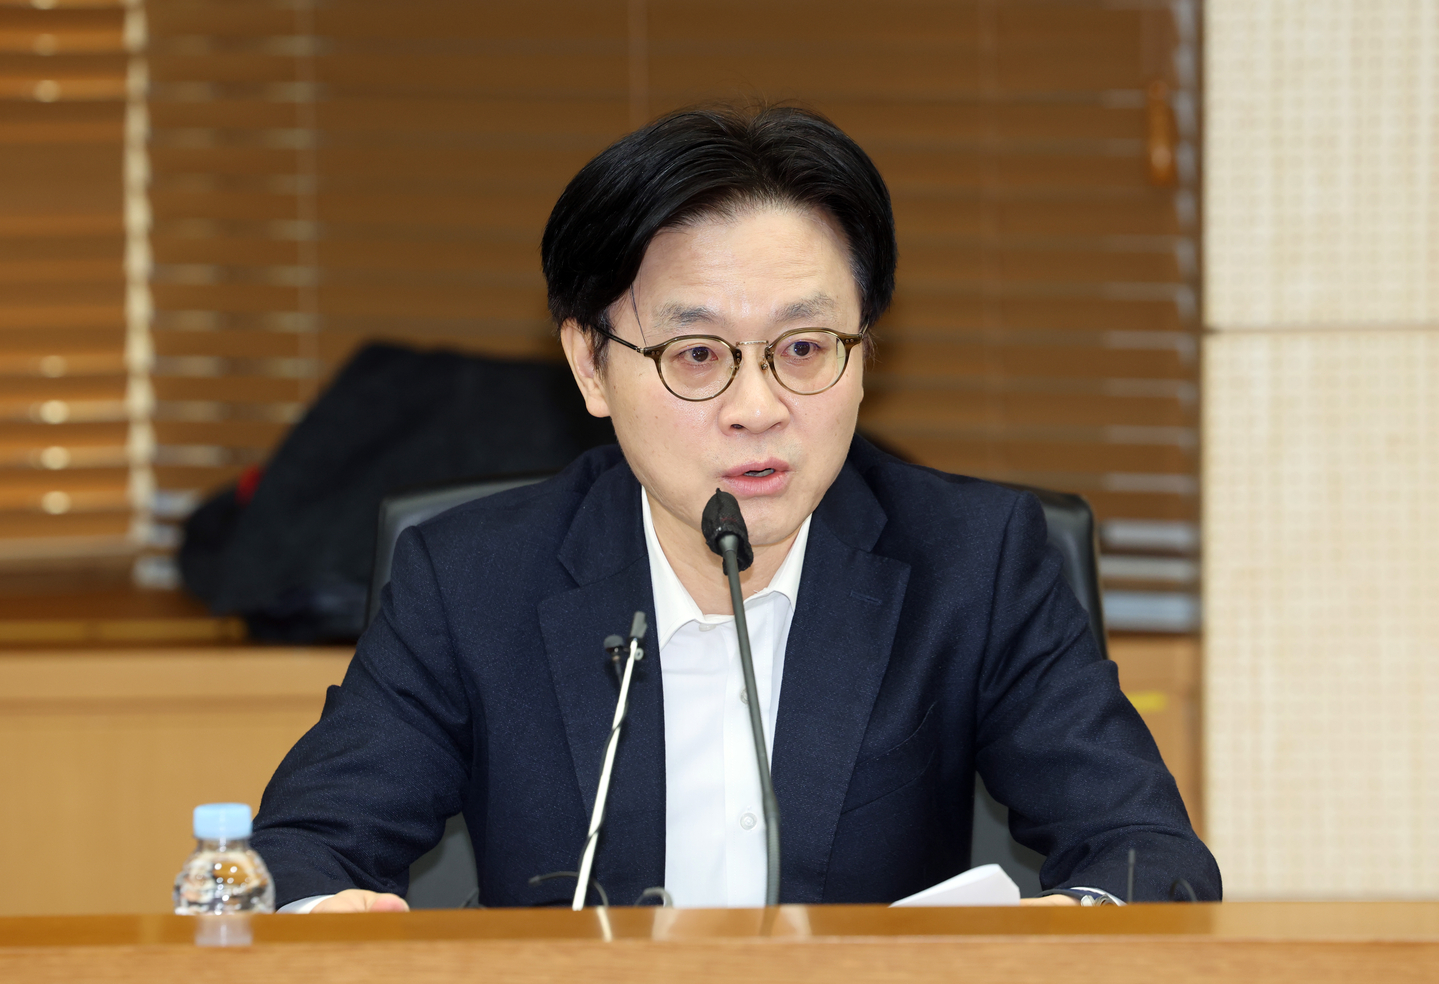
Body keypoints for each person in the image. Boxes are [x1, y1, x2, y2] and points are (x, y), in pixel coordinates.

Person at [251, 105, 1219, 913]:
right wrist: (326, 917)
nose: (757, 408)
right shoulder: (469, 579)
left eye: (803, 347)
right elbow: (304, 851)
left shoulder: (975, 564)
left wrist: (1064, 937)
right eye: (696, 354)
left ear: (863, 349)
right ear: (591, 364)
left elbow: (1146, 855)